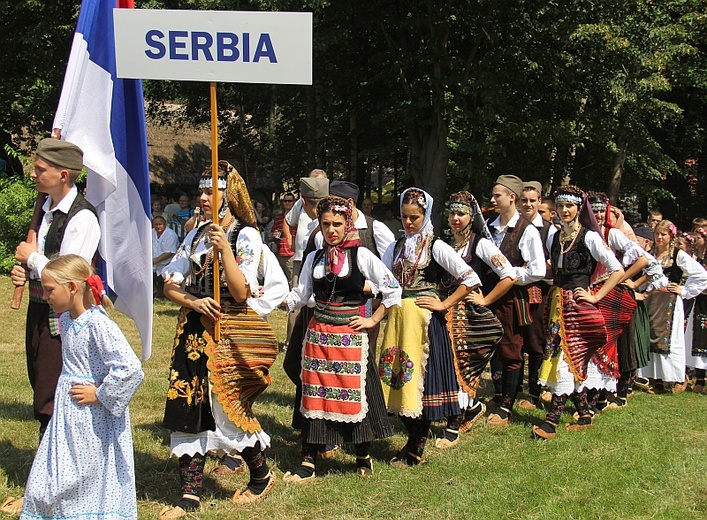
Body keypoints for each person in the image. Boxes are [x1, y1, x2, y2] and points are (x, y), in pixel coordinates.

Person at [158, 161, 280, 518]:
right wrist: (192, 300)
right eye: (201, 190)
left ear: (229, 196)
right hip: (193, 332)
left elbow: (241, 292)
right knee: (188, 403)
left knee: (227, 409)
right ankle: (190, 495)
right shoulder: (194, 234)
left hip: (229, 332)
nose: (202, 196)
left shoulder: (246, 236)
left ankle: (260, 475)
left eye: (211, 190)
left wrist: (224, 248)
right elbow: (170, 285)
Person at [281, 196, 402, 482]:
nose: (331, 230)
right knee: (313, 397)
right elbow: (303, 293)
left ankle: (363, 454)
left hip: (350, 338)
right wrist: (279, 300)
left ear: (348, 224)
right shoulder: (315, 257)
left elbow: (392, 289)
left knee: (356, 395)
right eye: (326, 224)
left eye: (337, 224)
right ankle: (309, 458)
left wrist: (372, 319)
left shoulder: (361, 255)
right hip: (318, 337)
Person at [19, 254, 143, 520]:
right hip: (67, 415)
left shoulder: (99, 324)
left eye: (50, 290)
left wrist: (100, 394)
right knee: (54, 472)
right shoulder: (66, 320)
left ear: (73, 288)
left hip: (92, 419)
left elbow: (130, 368)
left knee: (85, 473)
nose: (46, 296)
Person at [380, 188, 480, 467]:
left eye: (415, 217)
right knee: (396, 379)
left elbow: (469, 278)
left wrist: (444, 304)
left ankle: (415, 449)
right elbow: (385, 281)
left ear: (426, 215)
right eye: (404, 217)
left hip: (423, 324)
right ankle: (413, 444)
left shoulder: (436, 245)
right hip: (399, 320)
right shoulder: (395, 247)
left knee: (419, 387)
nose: (409, 222)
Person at [10, 138, 100, 438]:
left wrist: (31, 258)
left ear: (63, 175)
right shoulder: (46, 209)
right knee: (40, 380)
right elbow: (42, 264)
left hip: (65, 318)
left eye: (40, 169)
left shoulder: (82, 218)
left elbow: (69, 276)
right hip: (39, 308)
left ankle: (55, 465)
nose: (33, 174)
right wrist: (24, 271)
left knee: (53, 392)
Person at [533, 185, 626, 440]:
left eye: (569, 206)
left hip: (577, 307)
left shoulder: (589, 237)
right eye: (561, 206)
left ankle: (551, 420)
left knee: (566, 358)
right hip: (556, 304)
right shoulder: (555, 236)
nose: (564, 211)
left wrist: (595, 295)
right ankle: (584, 414)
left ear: (579, 209)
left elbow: (616, 269)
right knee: (562, 356)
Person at [440, 191, 516, 443]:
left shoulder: (480, 243)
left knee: (465, 365)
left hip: (470, 315)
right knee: (447, 365)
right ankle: (468, 408)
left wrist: (485, 299)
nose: (455, 218)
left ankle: (457, 421)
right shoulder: (445, 244)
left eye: (461, 213)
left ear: (471, 217)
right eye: (452, 213)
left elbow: (509, 274)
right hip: (446, 311)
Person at [486, 175, 545, 425]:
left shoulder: (527, 230)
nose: (492, 199)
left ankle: (507, 408)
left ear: (512, 197)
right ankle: (499, 396)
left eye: (497, 195)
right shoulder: (489, 226)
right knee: (493, 350)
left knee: (511, 350)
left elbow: (538, 270)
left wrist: (510, 275)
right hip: (487, 297)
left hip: (511, 298)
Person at [639, 220, 707, 393]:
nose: (660, 237)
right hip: (650, 300)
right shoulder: (649, 254)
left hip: (669, 302)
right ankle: (652, 378)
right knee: (649, 335)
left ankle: (667, 378)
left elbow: (701, 275)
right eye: (657, 234)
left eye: (664, 234)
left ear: (671, 236)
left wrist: (683, 290)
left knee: (666, 340)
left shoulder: (678, 255)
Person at [517, 181, 557, 410]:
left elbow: (554, 265)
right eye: (525, 200)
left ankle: (535, 391)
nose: (528, 204)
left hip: (538, 291)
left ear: (539, 201)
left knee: (535, 342)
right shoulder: (516, 227)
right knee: (515, 339)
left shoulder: (549, 230)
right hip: (516, 289)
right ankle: (510, 389)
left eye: (533, 200)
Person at [687, 224, 707, 393]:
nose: (695, 240)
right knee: (699, 339)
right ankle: (699, 379)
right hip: (700, 302)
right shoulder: (695, 258)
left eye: (698, 238)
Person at [271, 193, 297, 285]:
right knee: (280, 280)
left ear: (294, 202)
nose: (287, 203)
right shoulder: (278, 218)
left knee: (292, 281)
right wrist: (274, 234)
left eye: (290, 201)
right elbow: (273, 232)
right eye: (285, 201)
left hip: (292, 253)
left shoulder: (297, 218)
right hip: (279, 251)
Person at [152, 216, 179, 298]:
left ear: (164, 224)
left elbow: (169, 252)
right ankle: (153, 291)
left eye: (160, 224)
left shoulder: (171, 234)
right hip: (153, 265)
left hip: (167, 264)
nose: (158, 226)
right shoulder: (150, 232)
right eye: (156, 224)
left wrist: (154, 261)